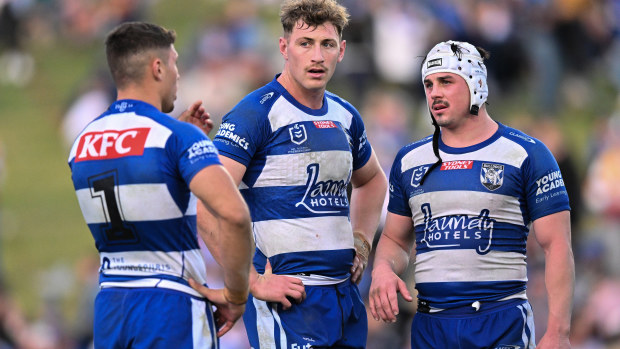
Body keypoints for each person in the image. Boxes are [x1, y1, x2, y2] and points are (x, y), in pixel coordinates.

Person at [199, 1, 387, 347]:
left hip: (343, 297)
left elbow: (373, 180)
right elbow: (206, 203)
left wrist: (361, 242)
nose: (317, 56)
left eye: (327, 44)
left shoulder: (346, 115)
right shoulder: (255, 113)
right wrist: (250, 280)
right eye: (306, 43)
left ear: (341, 51)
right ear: (284, 47)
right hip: (289, 301)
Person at [368, 40, 575, 348]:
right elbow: (396, 240)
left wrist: (558, 332)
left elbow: (557, 245)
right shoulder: (408, 159)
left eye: (446, 82)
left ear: (477, 84)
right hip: (430, 325)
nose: (434, 92)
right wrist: (383, 269)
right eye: (428, 84)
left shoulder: (527, 154)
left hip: (500, 321)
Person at [67, 21, 253, 348]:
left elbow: (137, 175)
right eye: (174, 62)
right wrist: (236, 294)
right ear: (157, 68)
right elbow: (235, 216)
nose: (178, 73)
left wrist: (179, 141)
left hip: (111, 306)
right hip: (169, 306)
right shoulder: (176, 138)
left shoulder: (82, 141)